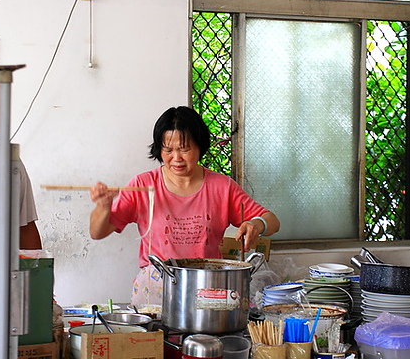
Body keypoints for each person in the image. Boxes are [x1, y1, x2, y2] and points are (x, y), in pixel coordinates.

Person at [90, 106, 280, 305]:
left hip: (208, 287)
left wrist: (257, 224)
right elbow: (97, 232)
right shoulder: (143, 185)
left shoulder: (221, 187)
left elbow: (272, 221)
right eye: (168, 150)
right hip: (155, 290)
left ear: (199, 146)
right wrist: (103, 206)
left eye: (184, 149)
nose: (176, 158)